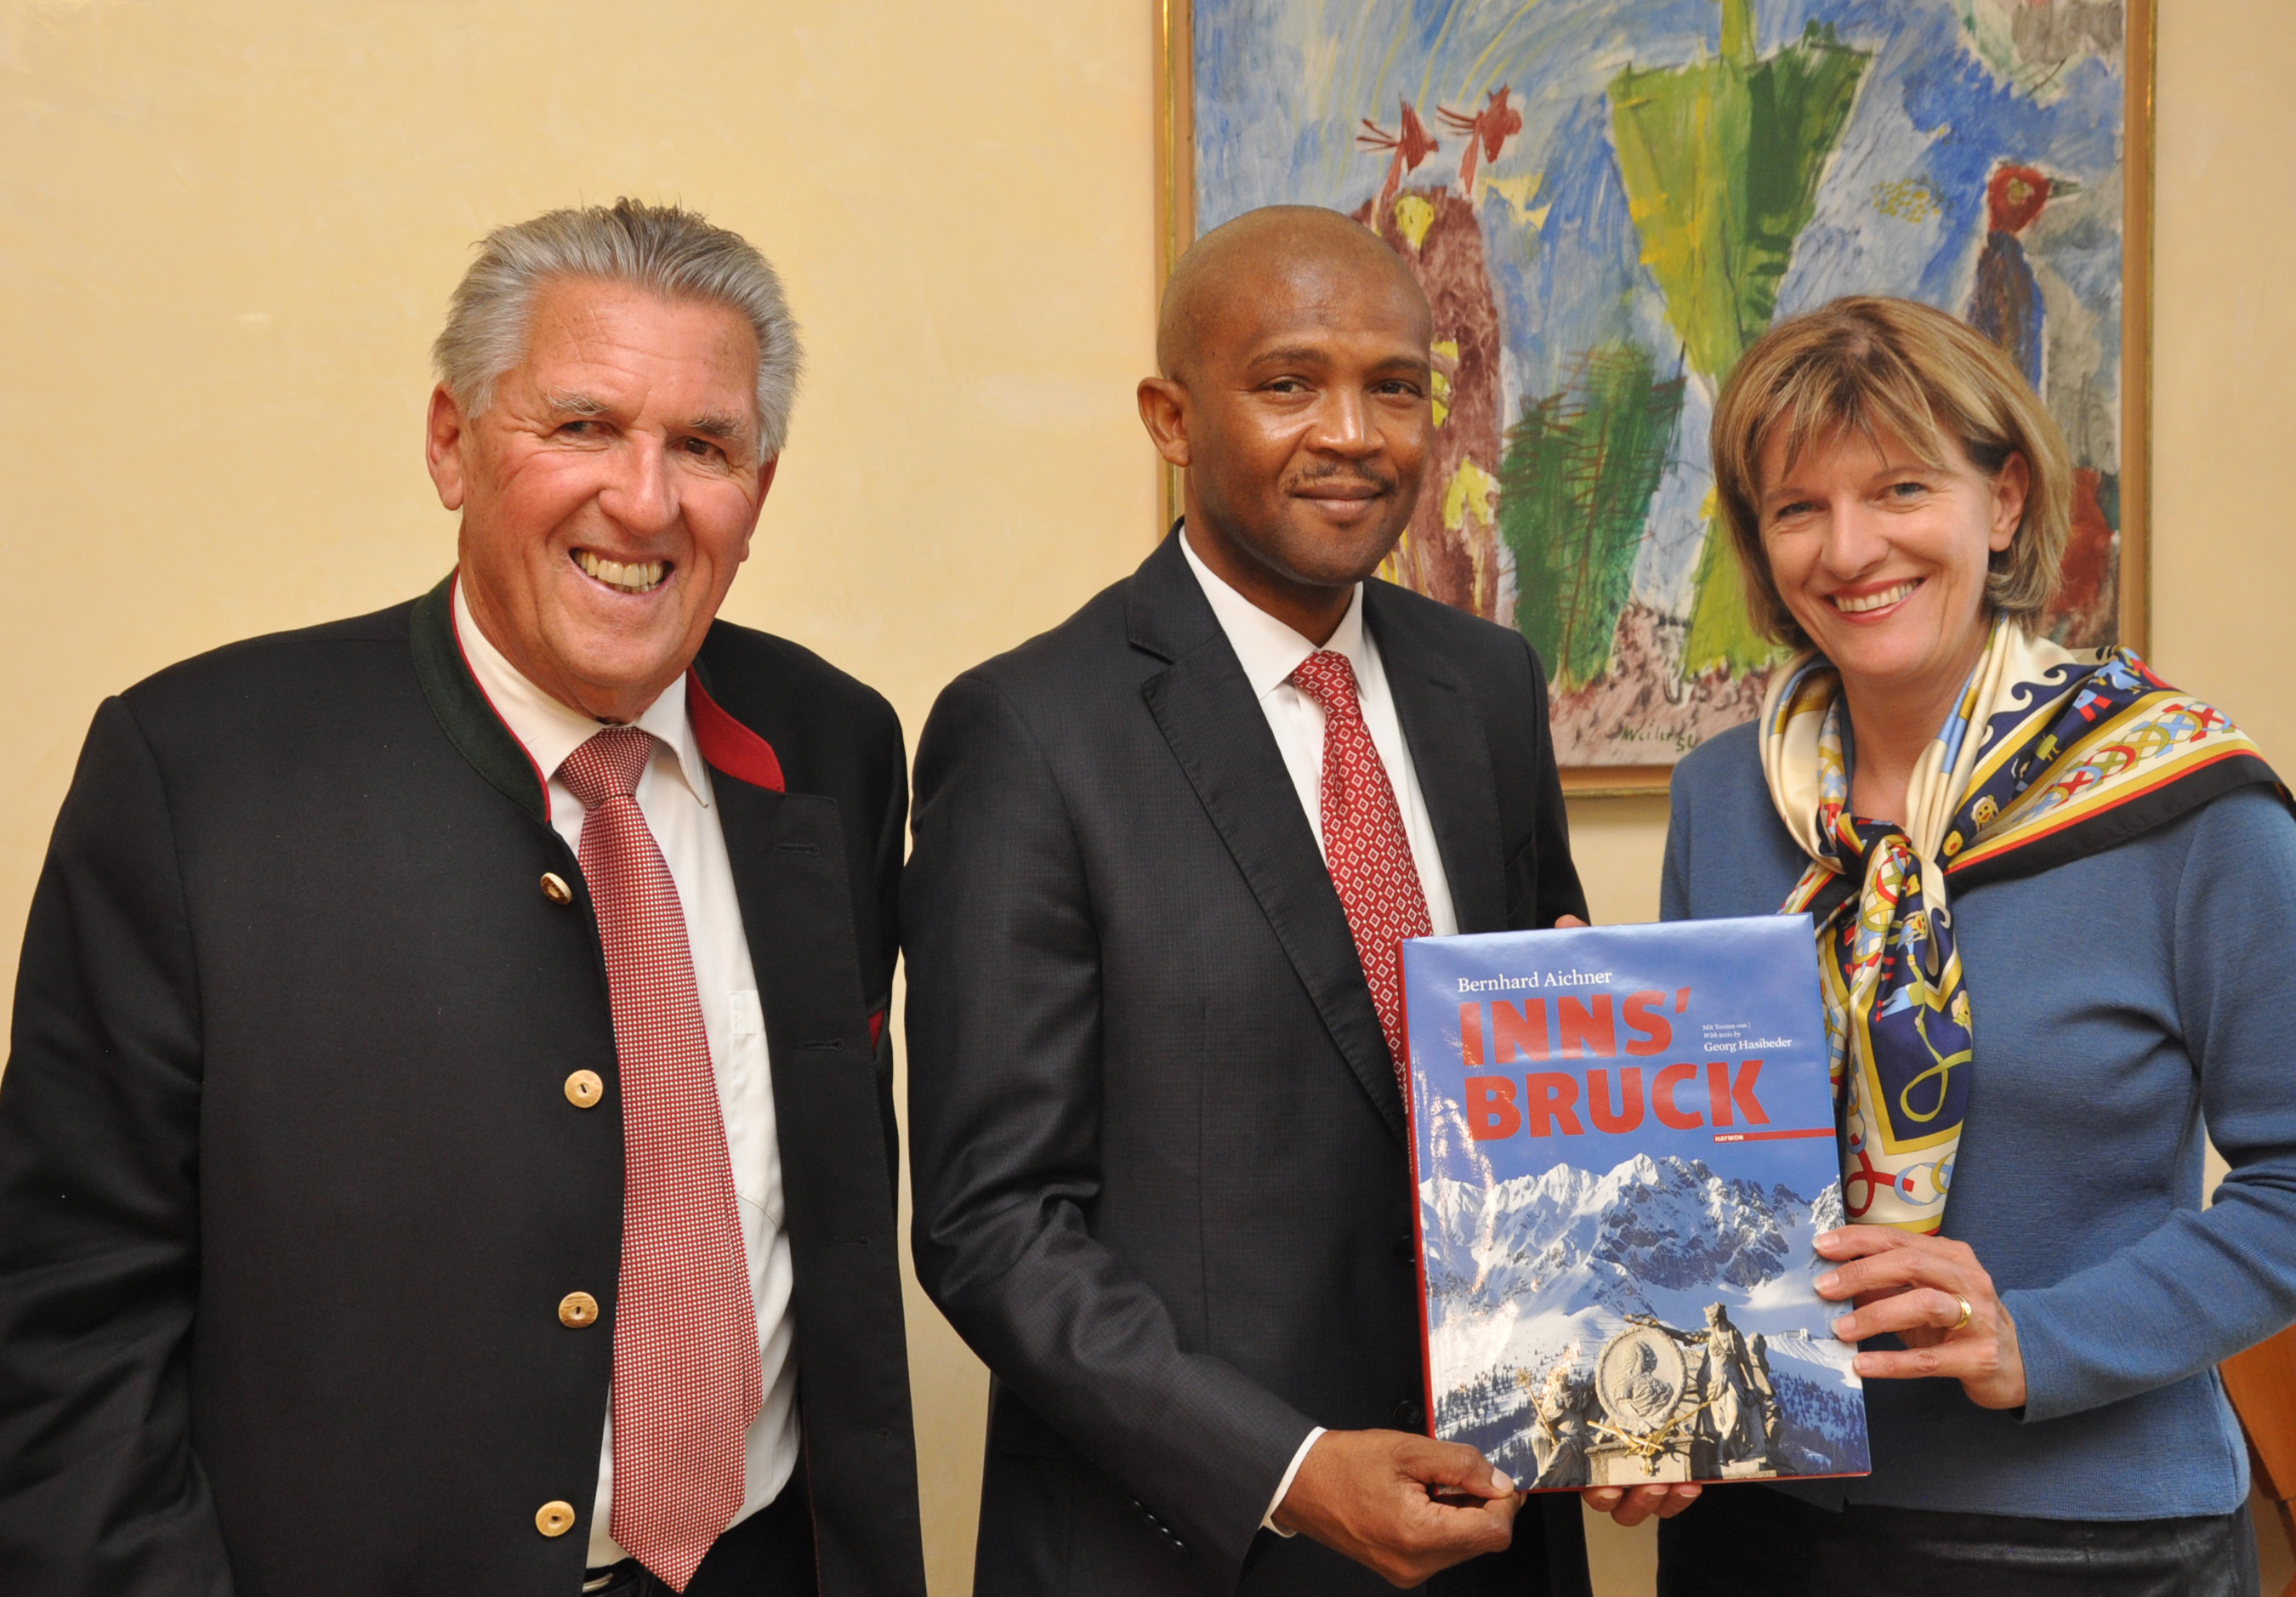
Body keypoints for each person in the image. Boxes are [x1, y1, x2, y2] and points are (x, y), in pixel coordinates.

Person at [0, 201, 927, 1597]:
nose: (645, 499)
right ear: (452, 444)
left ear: (761, 486)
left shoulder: (835, 747)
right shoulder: (199, 775)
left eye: (705, 445)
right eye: (581, 426)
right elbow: (67, 1331)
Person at [903, 204, 1692, 1596]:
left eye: (1396, 386)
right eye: (1289, 382)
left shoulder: (1488, 688)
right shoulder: (1028, 731)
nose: (1355, 433)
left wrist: (1637, 1377)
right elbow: (993, 1222)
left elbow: (1550, 1095)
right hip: (1191, 1547)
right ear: (1169, 414)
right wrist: (1283, 1467)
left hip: (1494, 1531)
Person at [1651, 295, 2296, 1595]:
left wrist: (2031, 1337)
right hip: (1755, 1531)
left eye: (1899, 488)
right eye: (1797, 508)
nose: (1850, 546)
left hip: (2083, 1536)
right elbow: (1699, 1157)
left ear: (2000, 503)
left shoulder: (2188, 801)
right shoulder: (1724, 796)